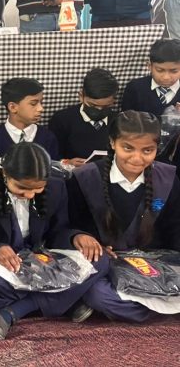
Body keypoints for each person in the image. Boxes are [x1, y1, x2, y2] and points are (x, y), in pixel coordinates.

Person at [0, 142, 108, 340]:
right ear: (5, 173)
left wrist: (76, 237)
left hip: (42, 259)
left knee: (100, 259)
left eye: (38, 189)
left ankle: (14, 311)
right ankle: (65, 301)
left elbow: (57, 232)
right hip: (6, 267)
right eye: (22, 188)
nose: (30, 195)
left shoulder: (56, 186)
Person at [68, 111, 180, 322]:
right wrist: (82, 238)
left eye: (148, 150)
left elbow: (175, 228)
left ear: (157, 148)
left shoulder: (168, 179)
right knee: (98, 295)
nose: (137, 158)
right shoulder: (85, 177)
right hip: (106, 266)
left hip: (154, 264)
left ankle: (146, 309)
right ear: (112, 142)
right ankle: (163, 312)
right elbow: (71, 225)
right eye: (128, 148)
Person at [0, 78, 59, 176]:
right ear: (13, 107)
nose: (41, 108)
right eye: (33, 103)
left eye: (41, 102)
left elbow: (54, 173)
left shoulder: (48, 137)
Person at [49, 68, 119, 166]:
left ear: (113, 101)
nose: (99, 110)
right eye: (93, 105)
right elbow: (52, 157)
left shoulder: (119, 121)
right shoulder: (62, 120)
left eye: (105, 107)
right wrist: (67, 163)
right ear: (81, 96)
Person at [121, 39, 180, 117]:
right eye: (159, 70)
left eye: (174, 71)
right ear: (150, 66)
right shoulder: (135, 88)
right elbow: (125, 119)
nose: (166, 77)